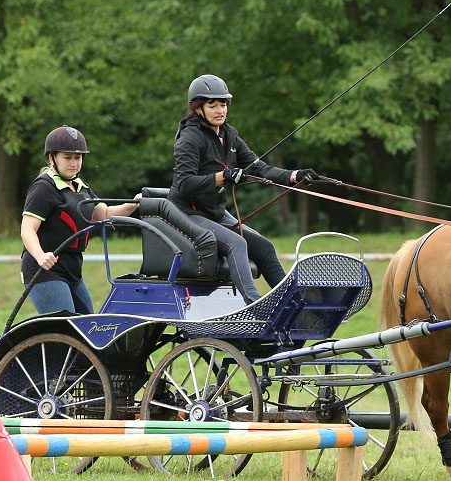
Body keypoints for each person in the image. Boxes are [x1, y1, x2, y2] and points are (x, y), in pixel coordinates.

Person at [169, 74, 320, 304]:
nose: (220, 110)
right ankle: (255, 306)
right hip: (186, 213)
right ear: (198, 108)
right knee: (237, 243)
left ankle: (293, 304)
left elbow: (259, 169)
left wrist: (294, 176)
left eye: (223, 104)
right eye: (213, 105)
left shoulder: (230, 135)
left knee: (264, 246)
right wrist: (222, 177)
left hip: (215, 213)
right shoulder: (190, 138)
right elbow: (184, 184)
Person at [20, 125, 141, 314]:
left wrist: (134, 205)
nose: (74, 163)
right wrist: (41, 256)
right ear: (52, 158)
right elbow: (27, 229)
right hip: (45, 271)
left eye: (78, 157)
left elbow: (105, 214)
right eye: (67, 158)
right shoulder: (44, 187)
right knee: (65, 331)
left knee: (88, 328)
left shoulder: (80, 186)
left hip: (73, 269)